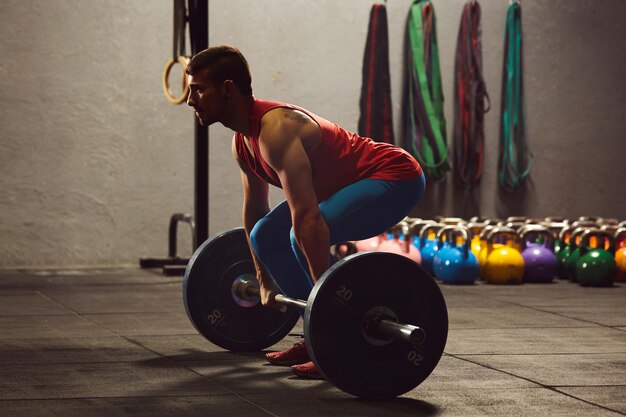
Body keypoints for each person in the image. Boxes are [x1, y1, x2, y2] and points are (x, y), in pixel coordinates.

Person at [186, 45, 425, 379]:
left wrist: (329, 306)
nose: (190, 99)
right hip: (345, 187)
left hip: (393, 177)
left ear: (227, 89)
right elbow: (256, 209)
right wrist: (263, 277)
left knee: (303, 234)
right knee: (264, 235)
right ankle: (317, 335)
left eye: (198, 89)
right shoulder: (242, 141)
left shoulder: (276, 130)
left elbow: (308, 221)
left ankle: (337, 338)